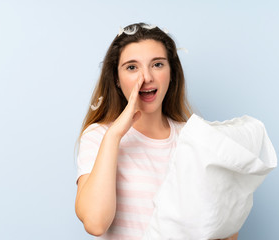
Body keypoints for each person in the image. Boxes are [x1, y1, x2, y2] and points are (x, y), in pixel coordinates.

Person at [75, 22, 238, 240]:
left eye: (157, 65)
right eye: (132, 67)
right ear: (116, 77)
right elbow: (95, 223)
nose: (146, 77)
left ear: (171, 73)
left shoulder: (193, 138)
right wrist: (114, 135)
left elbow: (223, 232)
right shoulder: (98, 137)